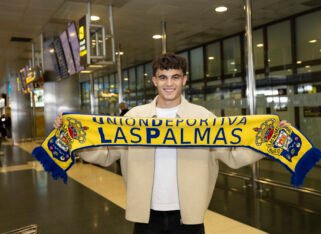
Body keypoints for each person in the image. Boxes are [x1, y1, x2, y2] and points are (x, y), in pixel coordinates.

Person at [54, 53, 289, 233]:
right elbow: (105, 155)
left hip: (188, 215)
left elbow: (233, 156)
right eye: (163, 77)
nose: (169, 83)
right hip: (146, 216)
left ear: (184, 80)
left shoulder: (203, 118)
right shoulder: (134, 118)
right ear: (155, 80)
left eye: (175, 77)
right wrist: (76, 139)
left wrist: (269, 141)